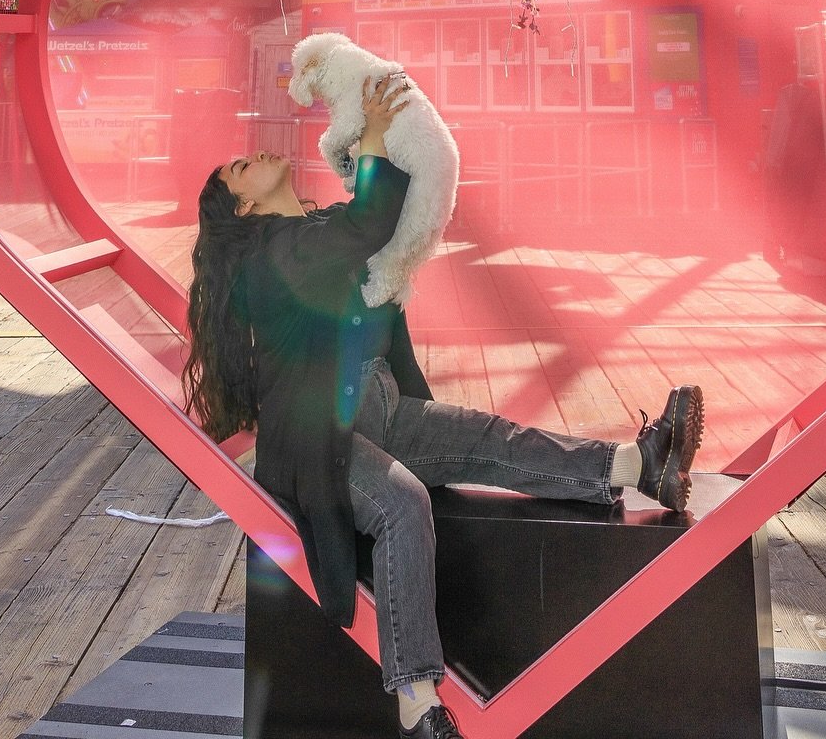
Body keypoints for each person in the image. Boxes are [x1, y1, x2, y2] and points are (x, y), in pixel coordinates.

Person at [185, 67, 705, 739]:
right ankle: (416, 700)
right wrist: (371, 134)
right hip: (315, 438)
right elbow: (370, 223)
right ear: (246, 210)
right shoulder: (274, 254)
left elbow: (377, 222)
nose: (254, 157)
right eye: (241, 169)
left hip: (372, 406)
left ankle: (640, 466)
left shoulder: (307, 230)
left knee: (488, 437)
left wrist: (380, 141)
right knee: (402, 503)